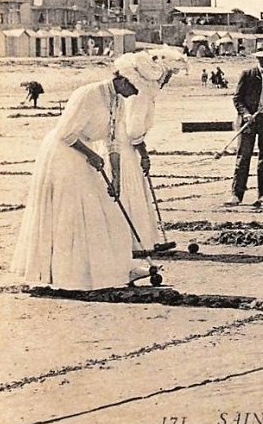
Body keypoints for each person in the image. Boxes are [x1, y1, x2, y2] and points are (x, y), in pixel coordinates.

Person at [11, 55, 144, 290]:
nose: (136, 93)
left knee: (104, 209)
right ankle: (71, 274)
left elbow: (113, 142)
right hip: (64, 154)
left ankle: (115, 267)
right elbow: (65, 133)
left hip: (84, 152)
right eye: (134, 87)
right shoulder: (88, 94)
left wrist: (117, 178)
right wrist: (91, 155)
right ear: (122, 81)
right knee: (74, 213)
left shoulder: (118, 101)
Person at [119, 48, 187, 251]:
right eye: (167, 76)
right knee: (129, 193)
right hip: (125, 150)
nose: (167, 82)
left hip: (128, 147)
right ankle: (132, 243)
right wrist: (145, 155)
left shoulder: (146, 93)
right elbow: (133, 131)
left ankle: (136, 241)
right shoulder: (140, 95)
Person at [226, 41, 263, 206]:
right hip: (248, 122)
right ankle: (236, 195)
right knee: (243, 158)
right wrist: (245, 114)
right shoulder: (247, 75)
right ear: (257, 58)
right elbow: (237, 99)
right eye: (261, 57)